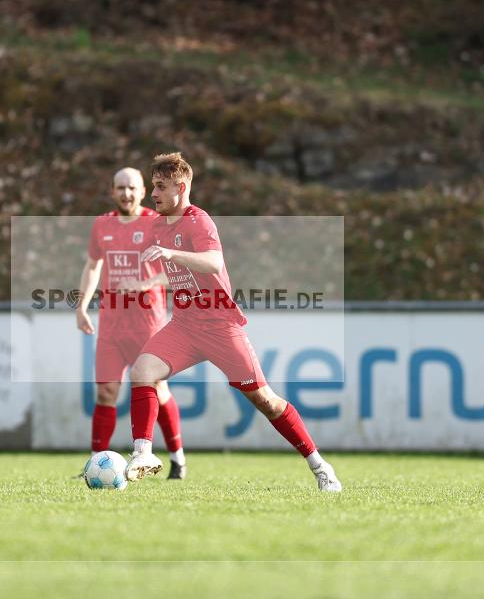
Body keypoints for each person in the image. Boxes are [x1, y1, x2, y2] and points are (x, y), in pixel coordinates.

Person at [125, 152, 342, 491]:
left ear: (181, 188)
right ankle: (143, 454)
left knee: (265, 400)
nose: (153, 194)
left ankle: (319, 465)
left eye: (160, 187)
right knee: (142, 372)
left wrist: (171, 254)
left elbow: (212, 262)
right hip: (183, 326)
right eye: (153, 186)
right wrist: (148, 281)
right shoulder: (156, 225)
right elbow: (178, 275)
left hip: (220, 326)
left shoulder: (199, 221)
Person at [75, 167, 186, 479]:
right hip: (111, 326)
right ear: (112, 191)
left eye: (132, 188)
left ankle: (177, 457)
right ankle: (94, 465)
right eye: (120, 188)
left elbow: (176, 267)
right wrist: (82, 305)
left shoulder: (157, 223)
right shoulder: (102, 224)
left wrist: (144, 283)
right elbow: (93, 265)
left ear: (143, 191)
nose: (126, 193)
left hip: (147, 325)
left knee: (158, 389)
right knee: (106, 393)